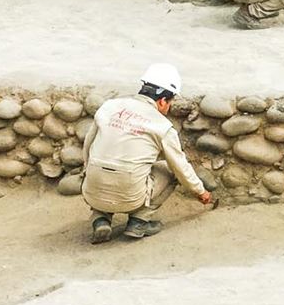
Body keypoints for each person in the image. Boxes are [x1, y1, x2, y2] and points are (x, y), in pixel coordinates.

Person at [80, 62, 212, 243]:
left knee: (103, 165)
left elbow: (88, 146)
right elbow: (180, 167)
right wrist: (200, 192)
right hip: (131, 198)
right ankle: (139, 221)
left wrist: (87, 172)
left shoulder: (109, 107)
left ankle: (100, 219)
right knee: (169, 169)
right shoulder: (162, 126)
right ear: (163, 101)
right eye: (170, 103)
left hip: (93, 191)